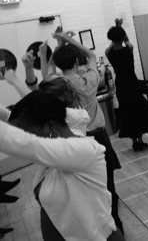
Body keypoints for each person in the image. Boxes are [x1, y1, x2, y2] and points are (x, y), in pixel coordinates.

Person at [3, 91, 125, 241]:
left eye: (27, 133)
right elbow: (18, 122)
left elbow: (23, 143)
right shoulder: (57, 157)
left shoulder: (84, 152)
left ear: (51, 126)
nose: (25, 136)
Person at [43, 31, 124, 234]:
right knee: (108, 185)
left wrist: (56, 48)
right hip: (100, 138)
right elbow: (91, 56)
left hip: (78, 140)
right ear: (77, 61)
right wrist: (68, 40)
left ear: (61, 65)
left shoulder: (59, 84)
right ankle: (115, 223)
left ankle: (94, 228)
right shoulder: (89, 79)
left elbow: (50, 69)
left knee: (86, 188)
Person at [106, 19, 148, 151]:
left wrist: (116, 30)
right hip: (132, 83)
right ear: (121, 37)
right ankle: (140, 140)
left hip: (121, 85)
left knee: (127, 112)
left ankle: (135, 142)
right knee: (138, 109)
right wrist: (120, 29)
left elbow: (111, 45)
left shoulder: (109, 53)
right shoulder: (129, 50)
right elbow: (126, 41)